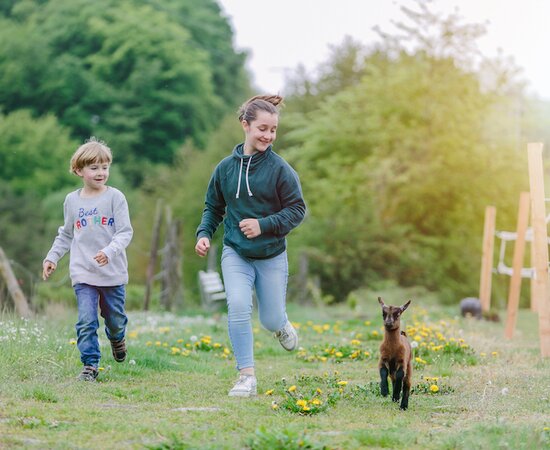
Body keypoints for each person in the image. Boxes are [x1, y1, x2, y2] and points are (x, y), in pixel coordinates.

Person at [195, 95, 307, 397]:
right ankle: (246, 376)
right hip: (236, 252)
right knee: (239, 306)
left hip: (271, 255)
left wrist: (264, 224)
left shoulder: (280, 170)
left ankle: (281, 325)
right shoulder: (224, 169)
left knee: (269, 318)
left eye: (273, 130)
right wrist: (204, 233)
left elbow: (297, 210)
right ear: (245, 125)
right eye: (262, 128)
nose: (268, 136)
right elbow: (213, 207)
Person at [42, 137, 133, 382]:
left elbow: (125, 232)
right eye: (94, 168)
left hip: (112, 272)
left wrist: (109, 251)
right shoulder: (72, 201)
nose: (101, 172)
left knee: (114, 319)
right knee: (86, 320)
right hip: (83, 272)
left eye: (105, 167)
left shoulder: (115, 197)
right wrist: (52, 257)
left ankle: (117, 338)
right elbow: (67, 234)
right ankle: (90, 366)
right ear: (79, 170)